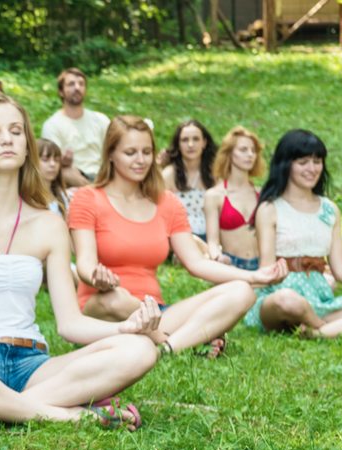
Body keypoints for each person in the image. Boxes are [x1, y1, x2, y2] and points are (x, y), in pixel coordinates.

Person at [0, 93, 167, 430]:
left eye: (15, 131)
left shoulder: (49, 224)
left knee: (140, 350)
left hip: (33, 364)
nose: (7, 139)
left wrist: (124, 328)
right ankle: (67, 414)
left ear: (27, 146)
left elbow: (70, 324)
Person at [68, 115, 287, 358]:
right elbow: (85, 263)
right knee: (114, 299)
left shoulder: (166, 202)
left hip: (156, 312)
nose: (141, 160)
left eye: (147, 152)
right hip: (103, 308)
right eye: (130, 153)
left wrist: (254, 276)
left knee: (241, 291)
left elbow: (197, 263)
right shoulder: (88, 198)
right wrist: (97, 278)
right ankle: (188, 337)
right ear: (110, 154)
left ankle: (167, 347)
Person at [244, 129, 342, 337]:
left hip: (320, 298)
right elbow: (266, 270)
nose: (312, 169)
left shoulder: (330, 209)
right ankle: (327, 328)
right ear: (286, 165)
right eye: (303, 162)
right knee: (288, 301)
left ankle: (315, 332)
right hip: (278, 296)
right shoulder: (270, 209)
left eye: (317, 161)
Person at [203, 126, 265, 271]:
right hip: (231, 264)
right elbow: (212, 241)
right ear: (229, 154)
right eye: (243, 150)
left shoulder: (262, 194)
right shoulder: (214, 196)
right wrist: (217, 257)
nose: (250, 154)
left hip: (262, 265)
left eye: (253, 150)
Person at [40, 67, 110, 188]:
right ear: (61, 91)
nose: (77, 87)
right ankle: (93, 192)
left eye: (81, 84)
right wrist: (63, 161)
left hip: (102, 174)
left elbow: (113, 151)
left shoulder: (101, 120)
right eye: (71, 84)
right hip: (73, 177)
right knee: (65, 171)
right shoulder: (52, 125)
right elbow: (50, 163)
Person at [160, 119, 217, 245]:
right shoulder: (169, 175)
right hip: (179, 235)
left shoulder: (215, 174)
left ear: (204, 143)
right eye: (185, 140)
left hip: (212, 234)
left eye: (196, 139)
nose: (190, 144)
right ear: (178, 145)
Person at [38, 138, 71, 215]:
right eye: (45, 159)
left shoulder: (62, 195)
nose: (53, 164)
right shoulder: (25, 198)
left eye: (56, 160)